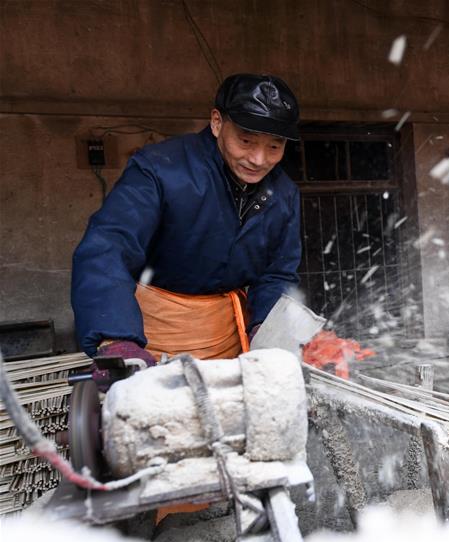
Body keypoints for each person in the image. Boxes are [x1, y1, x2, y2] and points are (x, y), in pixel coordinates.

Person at [71, 73, 302, 375]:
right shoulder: (159, 169)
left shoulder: (283, 193)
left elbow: (277, 274)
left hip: (229, 343)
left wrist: (267, 330)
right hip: (148, 342)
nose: (258, 159)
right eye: (246, 141)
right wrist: (115, 339)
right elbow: (108, 247)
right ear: (217, 122)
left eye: (274, 147)